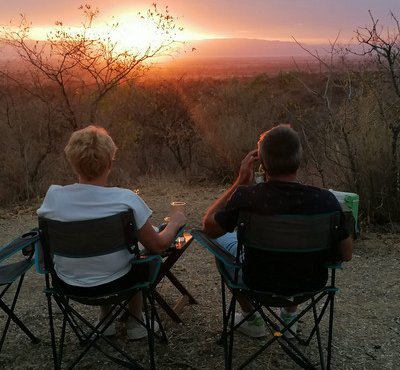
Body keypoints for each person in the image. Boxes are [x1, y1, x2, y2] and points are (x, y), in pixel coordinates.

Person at [202, 125, 353, 338]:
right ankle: (289, 318)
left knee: (222, 254)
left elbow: (209, 227)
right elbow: (346, 254)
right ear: (299, 157)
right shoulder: (325, 201)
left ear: (262, 163)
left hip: (257, 282)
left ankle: (252, 319)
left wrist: (240, 182)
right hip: (309, 284)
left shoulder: (246, 197)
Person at [37, 125, 186, 340]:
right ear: (109, 163)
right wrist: (174, 222)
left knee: (102, 249)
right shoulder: (125, 200)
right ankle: (136, 322)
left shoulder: (53, 198)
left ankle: (105, 321)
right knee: (137, 255)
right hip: (121, 283)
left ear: (73, 162)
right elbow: (159, 245)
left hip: (67, 284)